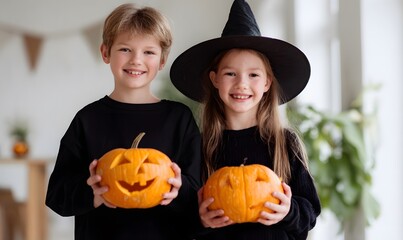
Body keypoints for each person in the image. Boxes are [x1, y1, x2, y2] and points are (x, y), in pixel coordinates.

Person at [45, 3, 201, 240]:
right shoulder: (87, 119)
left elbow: (200, 195)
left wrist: (180, 191)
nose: (136, 60)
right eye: (125, 49)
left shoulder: (179, 119)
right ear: (106, 52)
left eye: (149, 52)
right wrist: (92, 193)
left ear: (162, 60)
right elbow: (56, 197)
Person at [170, 0, 321, 239]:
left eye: (253, 75)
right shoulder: (198, 146)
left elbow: (310, 212)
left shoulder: (284, 143)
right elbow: (179, 219)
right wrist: (201, 219)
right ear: (215, 79)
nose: (242, 83)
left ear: (266, 83)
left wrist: (288, 211)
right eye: (230, 73)